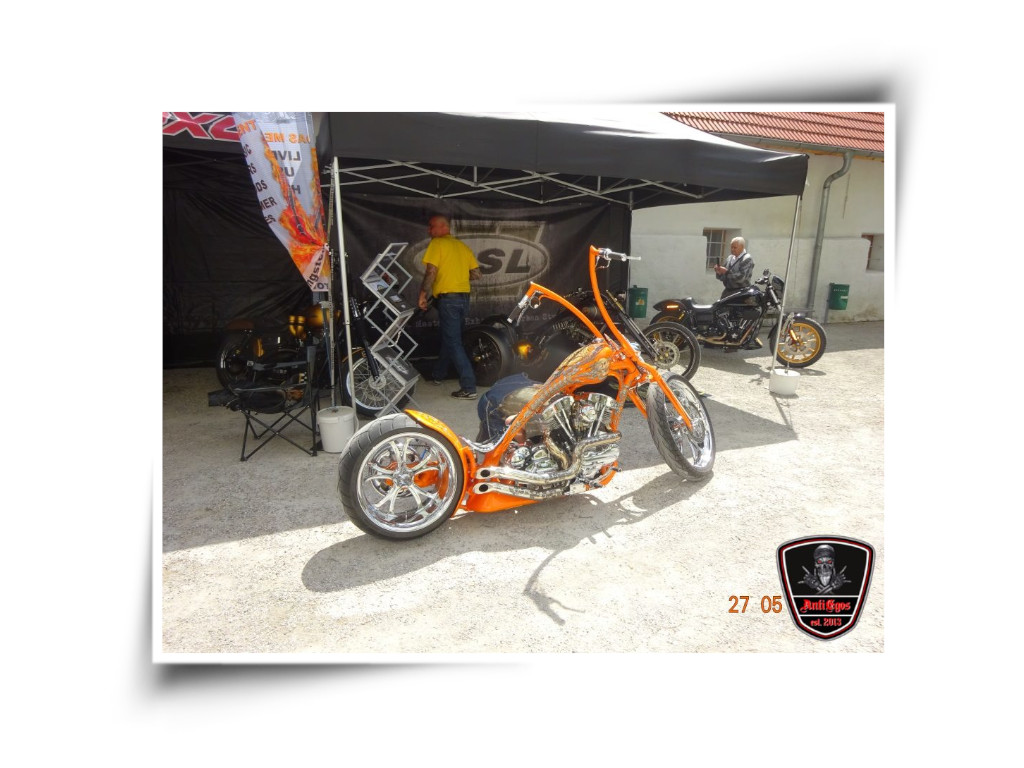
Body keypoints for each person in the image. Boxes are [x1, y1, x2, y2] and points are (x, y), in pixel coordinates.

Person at [418, 215, 481, 399]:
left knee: (453, 342)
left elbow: (431, 272)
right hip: (464, 298)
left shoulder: (437, 243)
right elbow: (476, 274)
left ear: (443, 227)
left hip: (449, 300)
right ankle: (438, 374)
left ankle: (469, 387)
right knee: (451, 337)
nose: (429, 230)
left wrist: (422, 294)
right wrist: (457, 276)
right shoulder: (462, 246)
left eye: (431, 226)